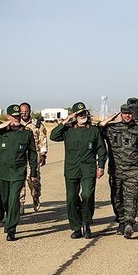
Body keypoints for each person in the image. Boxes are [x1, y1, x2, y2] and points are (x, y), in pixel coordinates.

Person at [50, 102, 107, 239]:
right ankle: (76, 227)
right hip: (72, 169)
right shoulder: (68, 130)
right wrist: (66, 121)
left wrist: (101, 166)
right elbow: (53, 136)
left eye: (84, 113)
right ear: (75, 116)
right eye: (79, 114)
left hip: (88, 169)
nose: (83, 116)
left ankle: (86, 224)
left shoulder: (93, 130)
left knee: (87, 195)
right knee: (72, 199)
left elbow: (101, 150)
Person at [0, 104, 38, 241]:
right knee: (5, 199)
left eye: (18, 116)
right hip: (1, 172)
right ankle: (8, 216)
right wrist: (0, 126)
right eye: (14, 116)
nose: (17, 119)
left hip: (18, 172)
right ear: (8, 117)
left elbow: (32, 154)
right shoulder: (0, 131)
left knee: (13, 200)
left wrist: (33, 172)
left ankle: (11, 229)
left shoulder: (26, 133)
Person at [99, 103, 138, 239]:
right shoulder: (112, 129)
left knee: (130, 197)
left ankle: (129, 223)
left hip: (134, 170)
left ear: (133, 114)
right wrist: (110, 119)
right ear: (121, 114)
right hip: (116, 170)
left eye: (130, 113)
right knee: (116, 198)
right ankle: (121, 221)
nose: (127, 116)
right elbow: (98, 129)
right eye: (124, 113)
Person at [19, 102, 48, 214]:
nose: (24, 114)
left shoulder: (37, 124)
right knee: (20, 181)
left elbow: (43, 140)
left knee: (33, 181)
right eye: (22, 112)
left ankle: (36, 197)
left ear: (29, 111)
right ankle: (21, 204)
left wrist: (43, 155)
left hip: (34, 157)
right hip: (20, 157)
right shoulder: (16, 124)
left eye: (26, 112)